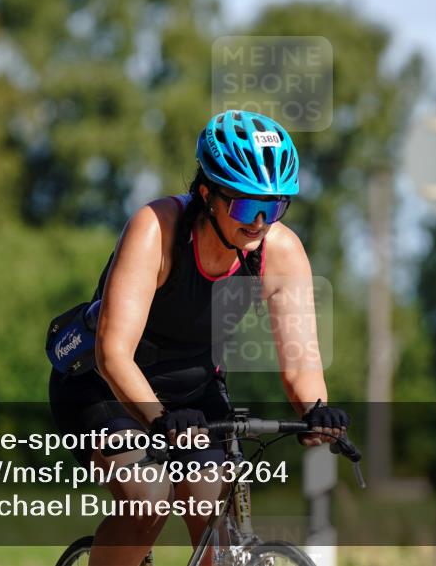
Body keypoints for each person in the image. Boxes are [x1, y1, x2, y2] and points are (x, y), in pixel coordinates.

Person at [49, 110, 350, 566]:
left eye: (276, 206)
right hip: (107, 385)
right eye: (248, 207)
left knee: (215, 509)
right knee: (148, 499)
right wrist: (159, 419)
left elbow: (301, 364)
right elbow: (113, 354)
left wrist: (315, 410)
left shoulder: (279, 250)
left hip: (194, 390)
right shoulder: (156, 228)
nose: (261, 222)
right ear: (207, 194)